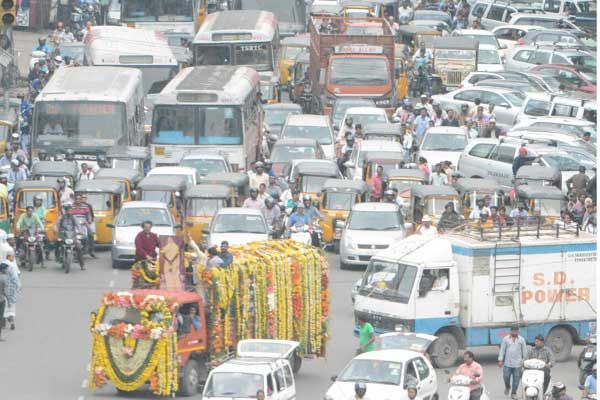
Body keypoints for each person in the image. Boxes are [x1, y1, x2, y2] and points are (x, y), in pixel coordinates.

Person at [498, 325, 527, 399]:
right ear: (510, 331)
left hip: (518, 364)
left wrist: (524, 363)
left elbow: (524, 352)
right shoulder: (505, 339)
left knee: (516, 380)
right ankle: (507, 387)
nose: (514, 332)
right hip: (508, 363)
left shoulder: (522, 340)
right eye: (513, 331)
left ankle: (514, 393)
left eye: (516, 331)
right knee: (506, 377)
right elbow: (502, 350)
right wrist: (500, 360)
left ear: (518, 331)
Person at [3, 249, 20, 330]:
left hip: (2, 288)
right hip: (11, 289)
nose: (14, 258)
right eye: (13, 256)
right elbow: (15, 278)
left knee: (3, 304)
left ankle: (3, 321)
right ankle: (11, 319)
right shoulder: (11, 266)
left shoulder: (2, 264)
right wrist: (19, 286)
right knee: (12, 305)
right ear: (9, 256)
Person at [0, 262, 8, 340]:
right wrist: (9, 299)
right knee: (0, 317)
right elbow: (5, 291)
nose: (7, 270)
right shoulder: (4, 278)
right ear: (3, 269)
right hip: (1, 300)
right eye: (6, 269)